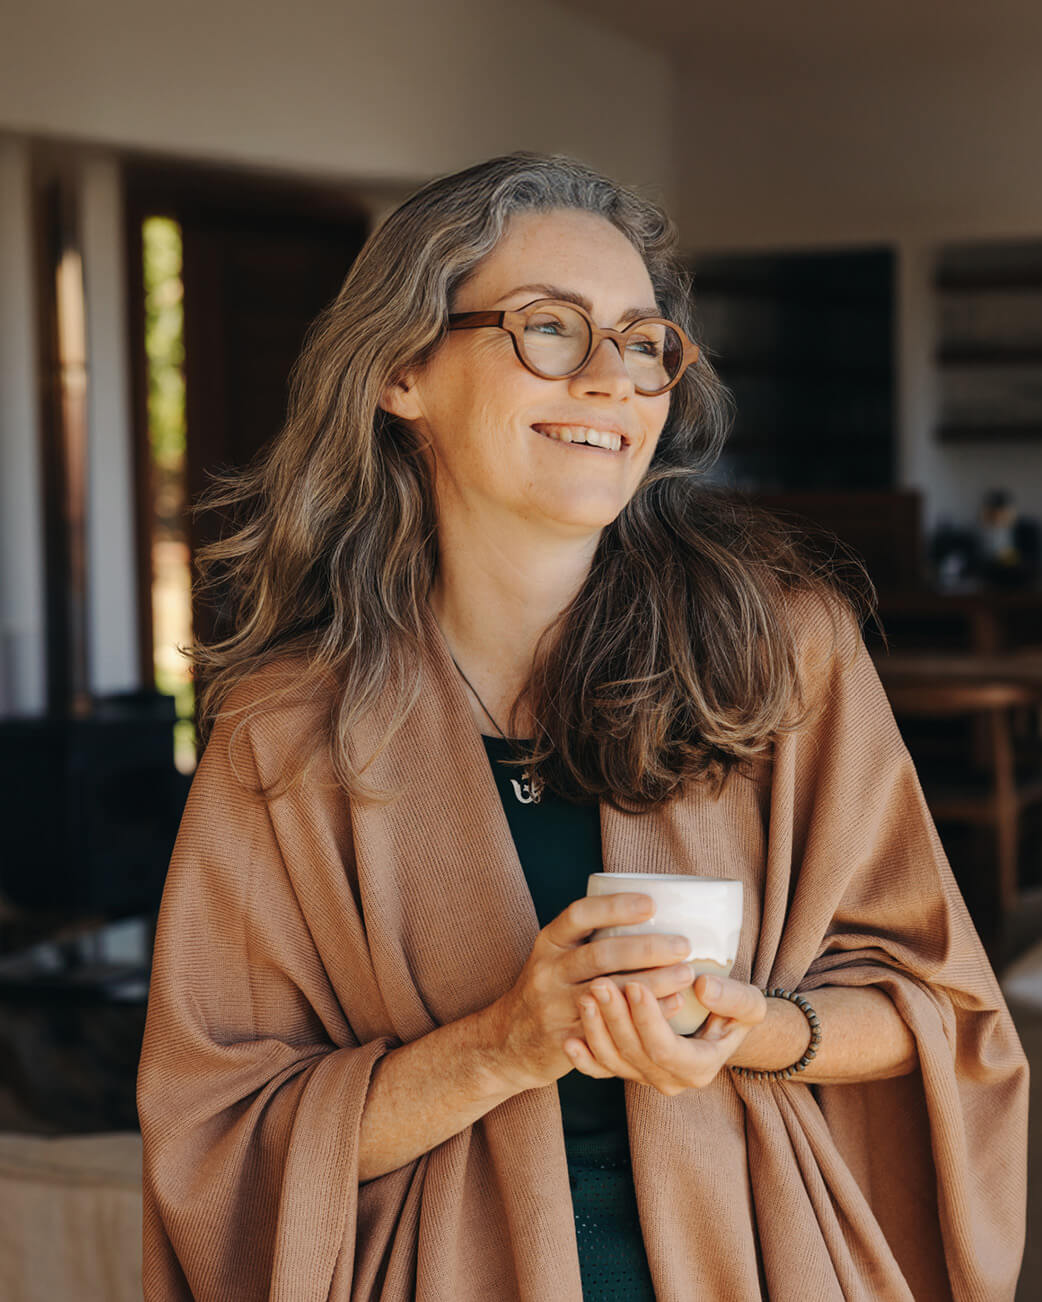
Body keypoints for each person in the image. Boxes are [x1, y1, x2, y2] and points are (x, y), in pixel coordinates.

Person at [137, 152, 1028, 1301]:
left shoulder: (778, 651)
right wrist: (505, 1043)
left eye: (643, 340)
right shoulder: (288, 728)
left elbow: (938, 1011)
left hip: (762, 1265)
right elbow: (220, 1141)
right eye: (549, 328)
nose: (614, 379)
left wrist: (750, 1027)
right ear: (401, 371)